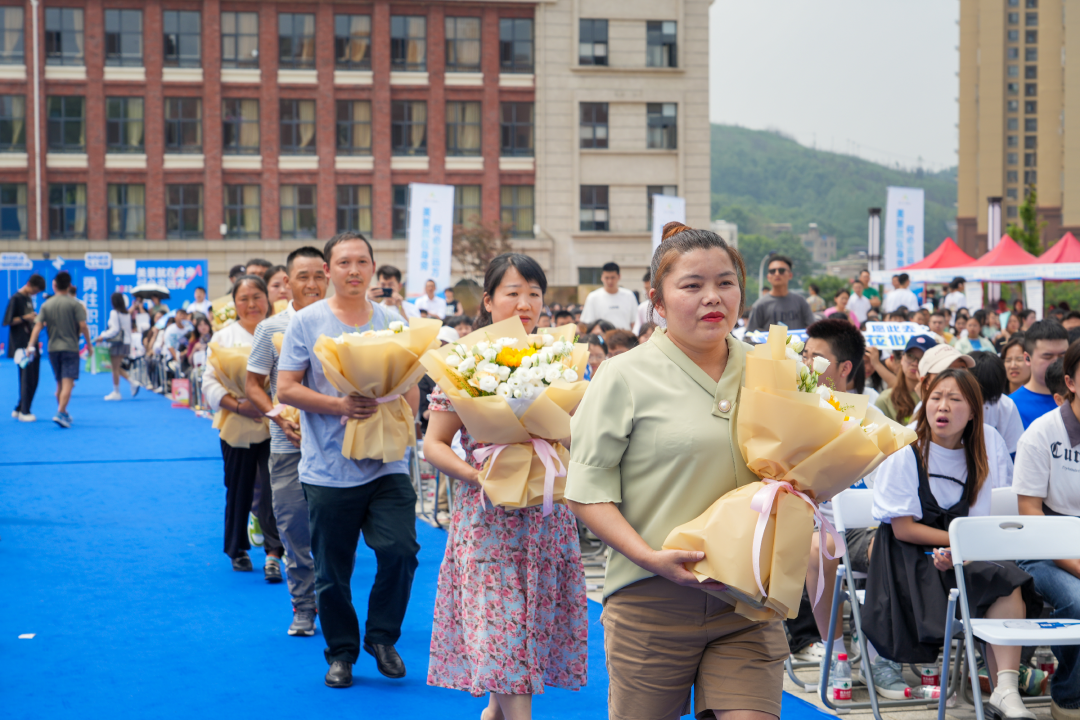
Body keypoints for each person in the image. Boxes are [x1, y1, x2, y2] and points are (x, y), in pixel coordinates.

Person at [567, 222, 787, 720]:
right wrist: (650, 557)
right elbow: (585, 491)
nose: (713, 296)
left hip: (747, 604)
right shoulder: (622, 376)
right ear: (657, 301)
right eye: (692, 285)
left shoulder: (772, 371)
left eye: (725, 282)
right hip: (651, 600)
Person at [422, 253, 587, 719]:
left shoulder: (559, 360)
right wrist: (477, 475)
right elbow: (434, 443)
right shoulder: (464, 361)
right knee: (507, 646)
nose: (525, 302)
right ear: (489, 300)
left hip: (545, 520)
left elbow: (584, 429)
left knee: (515, 654)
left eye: (534, 293)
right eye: (513, 292)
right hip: (489, 521)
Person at [277, 232, 421, 689]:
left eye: (362, 262)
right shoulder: (307, 321)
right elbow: (286, 388)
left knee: (401, 550)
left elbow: (411, 384)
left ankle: (381, 637)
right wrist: (340, 406)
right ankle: (341, 652)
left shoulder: (393, 320)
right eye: (343, 263)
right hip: (327, 468)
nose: (354, 270)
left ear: (374, 267)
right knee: (332, 569)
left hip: (387, 464)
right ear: (328, 271)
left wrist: (399, 410)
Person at [863, 369, 1039, 720]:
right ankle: (1003, 688)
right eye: (936, 397)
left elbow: (984, 521)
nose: (942, 406)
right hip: (910, 558)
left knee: (1008, 578)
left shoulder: (985, 450)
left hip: (963, 552)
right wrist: (958, 544)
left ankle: (1005, 689)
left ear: (973, 410)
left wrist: (963, 550)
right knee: (998, 576)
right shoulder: (906, 451)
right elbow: (903, 529)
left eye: (955, 399)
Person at [245, 246, 328, 637]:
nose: (311, 284)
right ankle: (303, 607)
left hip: (335, 448)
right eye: (302, 276)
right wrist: (279, 415)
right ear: (287, 282)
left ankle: (332, 605)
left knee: (332, 535)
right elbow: (254, 385)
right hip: (286, 447)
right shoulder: (271, 328)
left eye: (318, 275)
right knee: (294, 529)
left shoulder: (343, 325)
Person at [1013, 341, 1080, 720]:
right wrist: (1075, 564)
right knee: (1078, 599)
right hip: (1043, 547)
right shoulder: (1042, 434)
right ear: (1070, 382)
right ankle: (1070, 697)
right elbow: (1029, 512)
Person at [201, 274, 283, 579]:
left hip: (276, 424)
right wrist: (237, 405)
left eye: (257, 297)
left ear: (267, 299)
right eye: (243, 299)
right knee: (238, 488)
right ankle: (237, 548)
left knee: (277, 488)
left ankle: (274, 553)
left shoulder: (279, 330)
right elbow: (208, 380)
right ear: (234, 304)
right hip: (237, 423)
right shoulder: (223, 338)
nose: (251, 304)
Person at [25, 272, 93, 429]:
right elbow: (83, 326)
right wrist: (89, 345)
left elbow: (37, 326)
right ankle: (61, 412)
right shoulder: (75, 304)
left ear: (54, 285)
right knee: (68, 383)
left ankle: (63, 412)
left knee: (59, 385)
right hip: (70, 348)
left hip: (53, 349)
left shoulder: (46, 305)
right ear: (69, 286)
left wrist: (30, 345)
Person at [1012, 320, 1070, 429]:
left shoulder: (1076, 398)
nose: (1056, 362)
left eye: (1063, 356)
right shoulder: (1011, 406)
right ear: (1027, 358)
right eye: (1047, 357)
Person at [5, 273, 46, 421]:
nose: (36, 294)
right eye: (35, 290)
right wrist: (25, 318)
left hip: (30, 342)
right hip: (21, 344)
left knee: (33, 377)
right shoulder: (16, 298)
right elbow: (7, 321)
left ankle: (19, 407)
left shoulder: (28, 298)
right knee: (27, 377)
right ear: (29, 284)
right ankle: (24, 411)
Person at [970, 351, 1025, 455]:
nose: (982, 402)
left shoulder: (1006, 405)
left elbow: (1013, 449)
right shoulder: (953, 404)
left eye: (988, 399)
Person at [745, 255, 815, 332]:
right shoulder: (760, 305)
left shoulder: (801, 302)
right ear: (768, 277)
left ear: (790, 275)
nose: (777, 274)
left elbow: (813, 329)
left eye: (781, 270)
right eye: (772, 271)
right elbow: (750, 334)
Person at [875, 335, 935, 424]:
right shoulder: (885, 399)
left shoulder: (942, 400)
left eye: (923, 358)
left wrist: (926, 400)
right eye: (910, 355)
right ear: (902, 359)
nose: (915, 363)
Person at [94, 292, 140, 401]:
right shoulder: (126, 313)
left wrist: (102, 336)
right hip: (126, 342)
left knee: (114, 368)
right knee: (117, 367)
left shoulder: (114, 313)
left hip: (117, 342)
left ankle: (116, 392)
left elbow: (114, 330)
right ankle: (132, 382)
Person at [580, 262, 638, 330]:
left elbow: (634, 323)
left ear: (619, 276)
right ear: (602, 277)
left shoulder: (629, 295)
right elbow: (587, 323)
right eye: (606, 278)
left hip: (625, 338)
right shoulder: (593, 297)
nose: (610, 281)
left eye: (613, 277)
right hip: (601, 338)